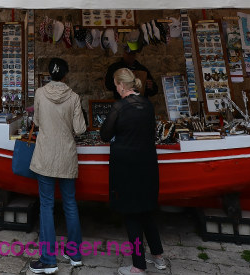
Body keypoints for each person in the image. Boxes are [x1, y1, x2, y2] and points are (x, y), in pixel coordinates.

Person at [100, 68, 167, 275]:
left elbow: (104, 134)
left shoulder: (119, 107)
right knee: (146, 210)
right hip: (147, 164)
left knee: (131, 214)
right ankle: (158, 256)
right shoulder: (147, 105)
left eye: (115, 84)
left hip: (127, 166)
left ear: (121, 85)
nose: (116, 88)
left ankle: (138, 265)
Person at [29, 58, 87, 273]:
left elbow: (36, 121)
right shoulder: (73, 97)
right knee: (70, 204)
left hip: (45, 154)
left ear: (49, 74)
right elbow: (80, 129)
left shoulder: (40, 94)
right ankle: (74, 253)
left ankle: (47, 258)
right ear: (65, 75)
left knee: (46, 205)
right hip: (66, 155)